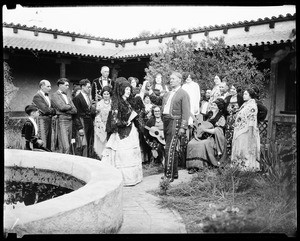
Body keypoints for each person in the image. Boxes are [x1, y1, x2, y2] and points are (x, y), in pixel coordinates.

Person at [102, 77, 143, 186]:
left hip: (131, 130)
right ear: (121, 90)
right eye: (126, 90)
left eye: (129, 90)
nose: (129, 92)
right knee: (123, 155)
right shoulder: (116, 103)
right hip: (121, 132)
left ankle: (133, 178)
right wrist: (125, 123)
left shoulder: (128, 101)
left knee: (131, 153)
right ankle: (122, 180)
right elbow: (114, 120)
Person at [150, 72, 190, 182]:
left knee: (169, 148)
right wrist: (149, 91)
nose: (170, 80)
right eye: (170, 79)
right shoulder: (167, 93)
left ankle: (168, 175)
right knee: (171, 147)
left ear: (179, 80)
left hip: (175, 121)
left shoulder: (183, 94)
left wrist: (183, 127)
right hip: (166, 121)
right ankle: (175, 173)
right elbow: (157, 101)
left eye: (173, 79)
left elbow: (186, 112)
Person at [186, 98, 227, 173]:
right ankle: (192, 166)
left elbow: (218, 131)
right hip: (202, 136)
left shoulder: (221, 117)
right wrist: (195, 126)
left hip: (213, 138)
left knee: (203, 144)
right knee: (191, 143)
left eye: (215, 105)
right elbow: (201, 124)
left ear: (219, 107)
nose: (212, 106)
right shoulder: (208, 115)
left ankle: (201, 166)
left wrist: (205, 130)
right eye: (212, 104)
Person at [231, 88, 260, 171]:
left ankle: (247, 168)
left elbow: (252, 120)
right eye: (243, 94)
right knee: (239, 148)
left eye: (246, 94)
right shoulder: (245, 104)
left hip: (246, 130)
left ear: (251, 95)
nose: (244, 95)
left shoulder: (252, 106)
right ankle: (238, 167)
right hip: (240, 129)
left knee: (245, 149)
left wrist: (250, 133)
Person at [51, 78, 77, 154]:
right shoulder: (55, 95)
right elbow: (61, 107)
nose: (68, 87)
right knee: (65, 144)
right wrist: (69, 106)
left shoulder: (67, 96)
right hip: (62, 120)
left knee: (69, 142)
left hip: (70, 120)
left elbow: (75, 110)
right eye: (66, 85)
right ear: (60, 85)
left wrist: (67, 107)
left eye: (68, 85)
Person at [72, 79, 96, 157]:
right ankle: (83, 158)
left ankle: (89, 157)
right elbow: (76, 114)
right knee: (82, 143)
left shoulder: (88, 97)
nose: (90, 89)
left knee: (90, 141)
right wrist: (80, 128)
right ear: (82, 87)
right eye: (88, 87)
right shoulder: (77, 98)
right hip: (82, 122)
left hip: (89, 121)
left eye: (90, 87)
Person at [32, 79, 56, 151]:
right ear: (42, 86)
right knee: (43, 140)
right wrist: (54, 111)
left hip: (48, 120)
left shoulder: (47, 96)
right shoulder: (37, 96)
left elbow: (50, 109)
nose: (50, 88)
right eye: (48, 86)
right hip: (41, 120)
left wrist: (52, 110)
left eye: (50, 86)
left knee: (49, 140)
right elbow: (45, 110)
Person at [224, 85, 244, 156]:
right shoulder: (227, 98)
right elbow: (224, 109)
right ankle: (228, 155)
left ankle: (236, 154)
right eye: (231, 88)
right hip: (229, 120)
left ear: (237, 90)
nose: (232, 90)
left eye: (234, 89)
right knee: (228, 136)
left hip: (237, 120)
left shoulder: (241, 98)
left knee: (236, 135)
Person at [93, 85, 112, 158]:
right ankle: (102, 157)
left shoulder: (112, 103)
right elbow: (97, 116)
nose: (106, 95)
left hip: (110, 125)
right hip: (101, 125)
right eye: (104, 94)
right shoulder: (99, 104)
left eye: (107, 94)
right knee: (102, 142)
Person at [182, 72, 201, 140]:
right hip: (186, 105)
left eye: (189, 77)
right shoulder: (184, 86)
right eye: (187, 77)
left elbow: (198, 96)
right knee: (186, 121)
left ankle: (193, 136)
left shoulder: (195, 85)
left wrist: (196, 106)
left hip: (193, 105)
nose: (188, 78)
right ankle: (186, 137)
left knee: (193, 121)